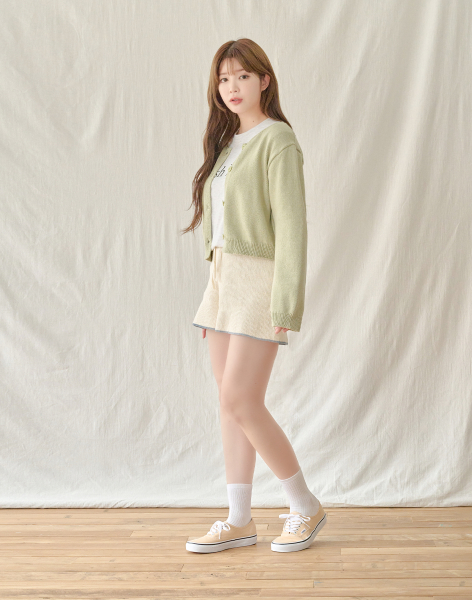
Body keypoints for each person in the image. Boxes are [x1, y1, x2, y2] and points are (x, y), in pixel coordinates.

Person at [180, 38, 326, 553]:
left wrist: (286, 302)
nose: (232, 87)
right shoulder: (227, 146)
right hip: (224, 285)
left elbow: (292, 228)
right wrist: (214, 297)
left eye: (242, 76)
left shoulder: (277, 139)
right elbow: (222, 232)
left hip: (261, 283)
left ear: (264, 80)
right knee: (228, 403)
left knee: (242, 399)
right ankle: (239, 519)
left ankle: (304, 505)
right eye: (224, 79)